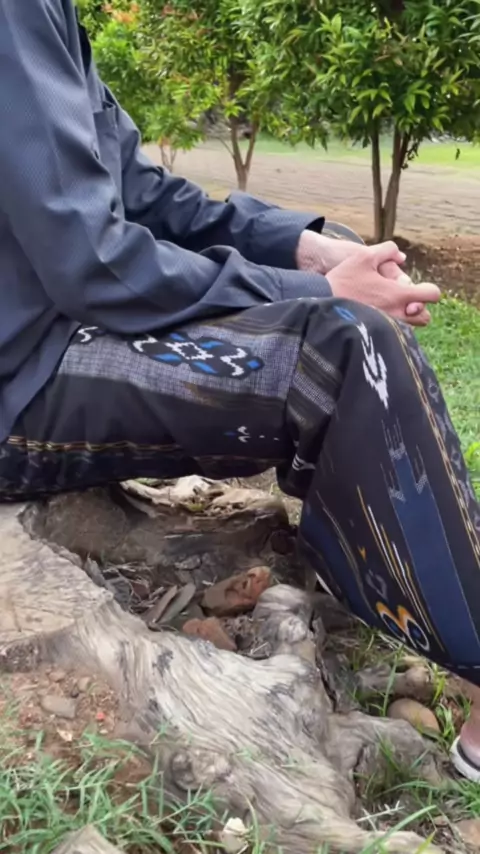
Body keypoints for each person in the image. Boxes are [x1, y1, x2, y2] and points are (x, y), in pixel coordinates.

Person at [0, 0, 479, 778]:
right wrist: (322, 294)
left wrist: (305, 250)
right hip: (21, 373)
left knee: (333, 284)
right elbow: (93, 259)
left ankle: (404, 590)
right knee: (343, 344)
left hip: (44, 336)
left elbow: (141, 194)